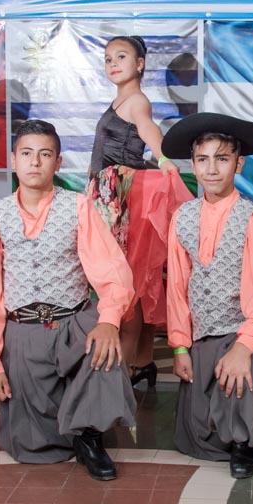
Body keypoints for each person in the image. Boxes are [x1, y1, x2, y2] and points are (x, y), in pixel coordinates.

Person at [0, 119, 137, 481]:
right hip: (23, 331)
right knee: (35, 448)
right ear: (13, 159)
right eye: (26, 153)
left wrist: (109, 320)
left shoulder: (78, 206)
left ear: (58, 163)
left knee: (102, 346)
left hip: (74, 324)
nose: (35, 162)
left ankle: (90, 437)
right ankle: (66, 427)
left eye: (45, 154)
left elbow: (112, 270)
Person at [162, 113, 253, 479]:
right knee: (199, 435)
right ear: (193, 164)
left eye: (222, 158)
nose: (211, 169)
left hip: (249, 334)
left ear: (239, 164)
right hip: (204, 336)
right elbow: (177, 289)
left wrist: (244, 348)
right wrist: (180, 347)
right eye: (202, 159)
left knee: (239, 381)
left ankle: (247, 442)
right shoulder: (182, 216)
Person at [85, 35, 191, 388]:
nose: (113, 63)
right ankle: (143, 361)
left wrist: (163, 159)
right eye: (108, 58)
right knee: (135, 282)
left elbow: (148, 130)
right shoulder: (121, 99)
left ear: (140, 64)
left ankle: (122, 373)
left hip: (118, 198)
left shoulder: (136, 101)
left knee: (124, 283)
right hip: (110, 194)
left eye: (121, 57)